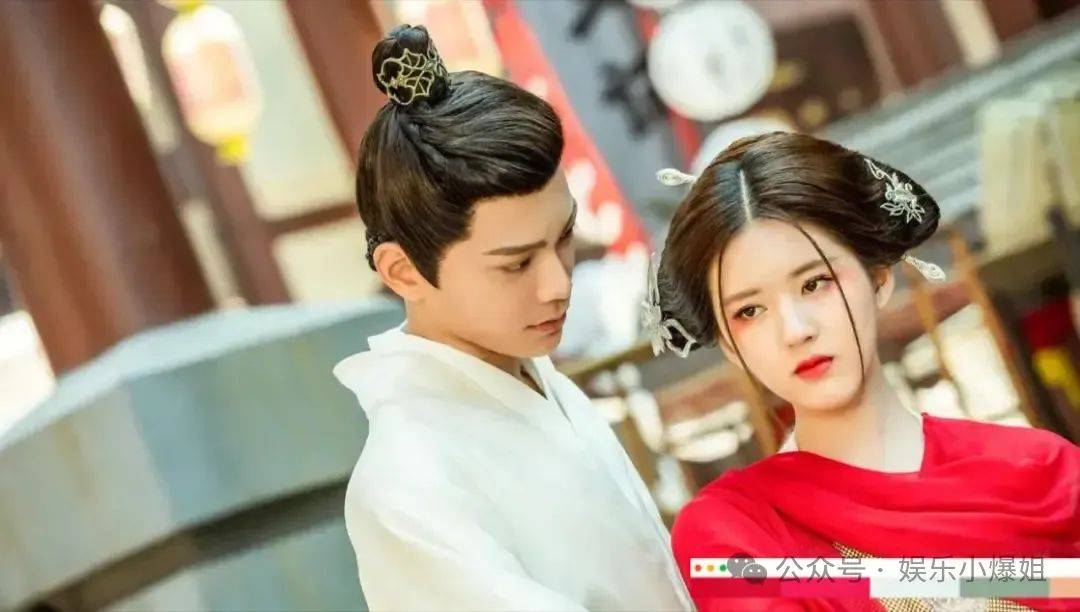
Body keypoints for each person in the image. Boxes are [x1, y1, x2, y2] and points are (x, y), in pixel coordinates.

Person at [332, 25, 691, 611]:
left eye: (564, 237)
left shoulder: (530, 377)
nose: (558, 284)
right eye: (516, 264)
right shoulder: (410, 482)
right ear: (403, 271)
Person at [647, 132, 1080, 611]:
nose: (795, 330)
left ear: (878, 278)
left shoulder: (1045, 473)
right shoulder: (736, 537)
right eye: (750, 311)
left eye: (815, 283)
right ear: (729, 344)